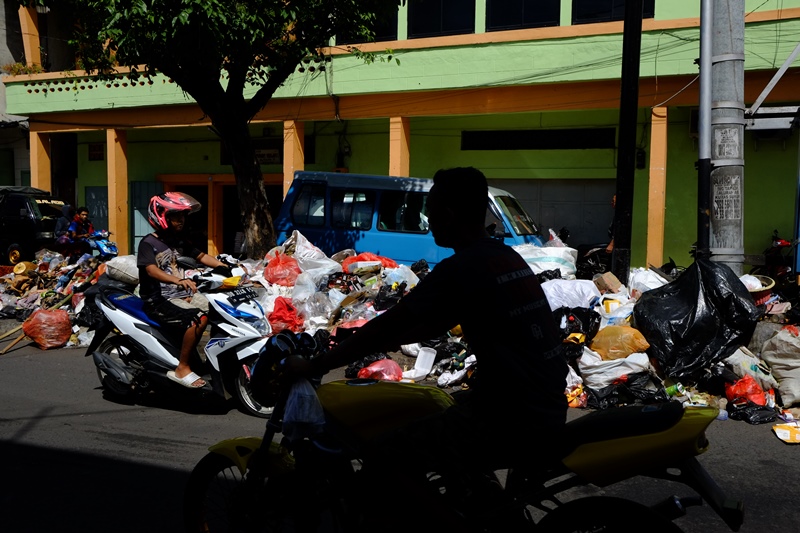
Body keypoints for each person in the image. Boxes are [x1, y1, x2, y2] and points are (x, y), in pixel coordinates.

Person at [289, 167, 568, 511]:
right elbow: (434, 323)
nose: (428, 220)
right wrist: (385, 340)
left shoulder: (462, 268)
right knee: (439, 416)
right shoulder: (502, 256)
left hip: (509, 417)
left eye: (430, 211)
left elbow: (391, 322)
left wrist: (317, 364)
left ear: (448, 215)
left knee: (384, 454)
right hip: (542, 405)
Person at [137, 192, 228, 389]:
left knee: (221, 308)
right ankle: (182, 367)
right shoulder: (148, 243)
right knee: (198, 318)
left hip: (181, 295)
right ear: (162, 216)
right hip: (158, 300)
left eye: (183, 216)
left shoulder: (178, 240)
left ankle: (217, 357)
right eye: (176, 216)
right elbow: (151, 270)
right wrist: (177, 280)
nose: (182, 220)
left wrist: (227, 268)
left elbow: (201, 256)